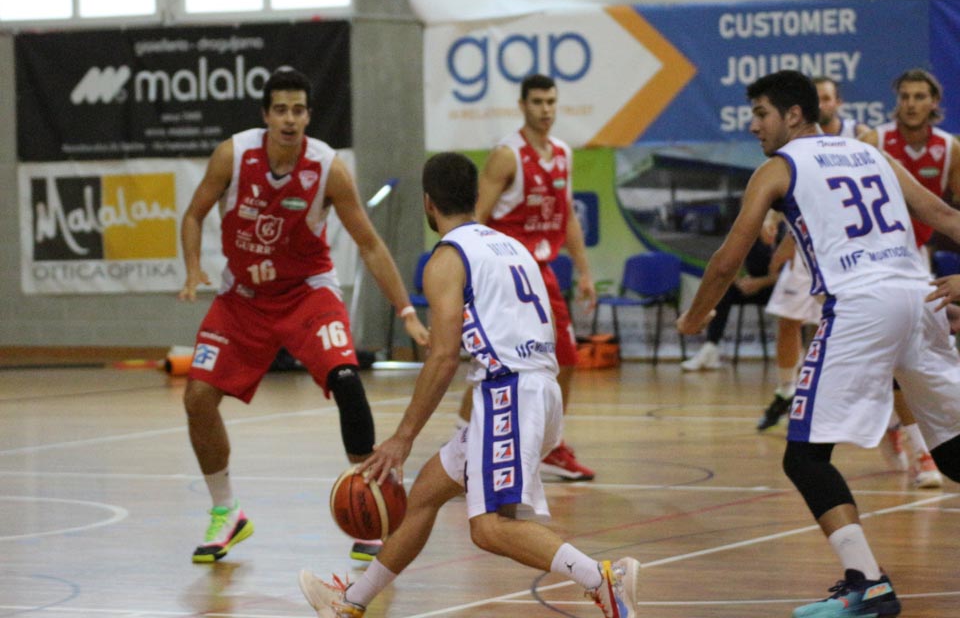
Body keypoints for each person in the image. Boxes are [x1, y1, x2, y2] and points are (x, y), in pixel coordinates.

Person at [298, 152, 639, 618]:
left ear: (428, 202)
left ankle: (603, 580)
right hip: (539, 388)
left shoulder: (447, 258)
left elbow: (442, 357)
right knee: (425, 493)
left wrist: (403, 437)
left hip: (508, 393)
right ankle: (352, 601)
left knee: (489, 527)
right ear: (477, 198)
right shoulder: (511, 246)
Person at [678, 70, 960, 618]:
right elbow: (946, 216)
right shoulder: (873, 154)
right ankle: (867, 583)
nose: (754, 125)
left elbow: (728, 259)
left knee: (804, 457)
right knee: (951, 449)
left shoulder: (779, 168)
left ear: (793, 115)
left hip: (862, 307)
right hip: (918, 297)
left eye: (761, 113)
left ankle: (868, 584)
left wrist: (694, 318)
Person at [177, 68, 429, 564]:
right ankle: (227, 512)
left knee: (347, 381)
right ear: (265, 115)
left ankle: (372, 510)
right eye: (280, 110)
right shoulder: (233, 155)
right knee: (197, 397)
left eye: (298, 110)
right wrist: (191, 269)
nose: (289, 120)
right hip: (244, 296)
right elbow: (193, 214)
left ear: (309, 116)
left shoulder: (327, 168)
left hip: (306, 293)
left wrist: (405, 311)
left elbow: (370, 244)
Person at [455, 73, 597, 481]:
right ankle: (462, 446)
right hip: (504, 273)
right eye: (537, 102)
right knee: (496, 365)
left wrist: (584, 272)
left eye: (551, 101)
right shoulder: (507, 155)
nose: (545, 109)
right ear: (522, 106)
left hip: (542, 274)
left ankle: (551, 446)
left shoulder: (563, 153)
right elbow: (476, 218)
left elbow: (568, 216)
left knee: (565, 359)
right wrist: (470, 274)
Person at [858, 68, 960, 488]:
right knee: (894, 356)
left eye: (920, 96)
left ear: (934, 102)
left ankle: (914, 436)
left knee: (919, 356)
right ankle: (919, 446)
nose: (912, 103)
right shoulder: (874, 142)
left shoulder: (950, 149)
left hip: (915, 260)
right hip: (869, 260)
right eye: (905, 96)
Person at [756, 77, 865, 429]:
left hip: (845, 250)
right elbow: (793, 187)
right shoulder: (794, 145)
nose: (822, 103)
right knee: (787, 318)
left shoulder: (859, 136)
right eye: (817, 98)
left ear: (838, 102)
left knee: (834, 325)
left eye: (827, 97)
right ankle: (786, 390)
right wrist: (773, 218)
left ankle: (827, 396)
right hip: (807, 247)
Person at [680, 223, 779, 371]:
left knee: (794, 295)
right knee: (724, 292)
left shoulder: (786, 233)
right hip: (751, 286)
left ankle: (799, 353)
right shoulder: (748, 232)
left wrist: (761, 282)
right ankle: (710, 348)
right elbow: (730, 264)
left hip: (777, 287)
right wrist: (740, 282)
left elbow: (790, 273)